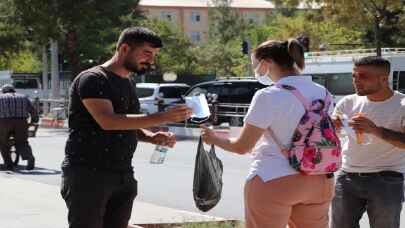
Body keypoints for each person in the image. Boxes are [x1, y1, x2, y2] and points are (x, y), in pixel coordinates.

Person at [60, 27, 192, 228]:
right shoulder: (93, 79)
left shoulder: (127, 82)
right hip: (88, 174)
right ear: (124, 48)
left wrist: (151, 136)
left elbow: (128, 123)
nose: (151, 60)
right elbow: (109, 121)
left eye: (154, 55)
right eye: (147, 53)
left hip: (122, 174)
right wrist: (161, 117)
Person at [201, 39, 334, 228]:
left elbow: (242, 146)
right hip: (320, 179)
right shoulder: (323, 93)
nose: (255, 70)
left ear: (267, 63)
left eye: (255, 65)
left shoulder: (268, 96)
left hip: (274, 177)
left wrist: (214, 138)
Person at [331, 56, 405, 228]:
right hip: (347, 175)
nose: (356, 81)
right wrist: (331, 128)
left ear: (384, 79)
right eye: (354, 76)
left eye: (363, 76)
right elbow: (333, 138)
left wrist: (375, 130)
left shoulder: (401, 104)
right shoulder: (348, 102)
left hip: (387, 178)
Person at [0, 84, 38, 170]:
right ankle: (29, 157)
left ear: (3, 91)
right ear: (13, 90)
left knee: (3, 143)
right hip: (21, 122)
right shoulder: (23, 97)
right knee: (22, 142)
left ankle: (9, 164)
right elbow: (33, 111)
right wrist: (33, 121)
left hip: (4, 122)